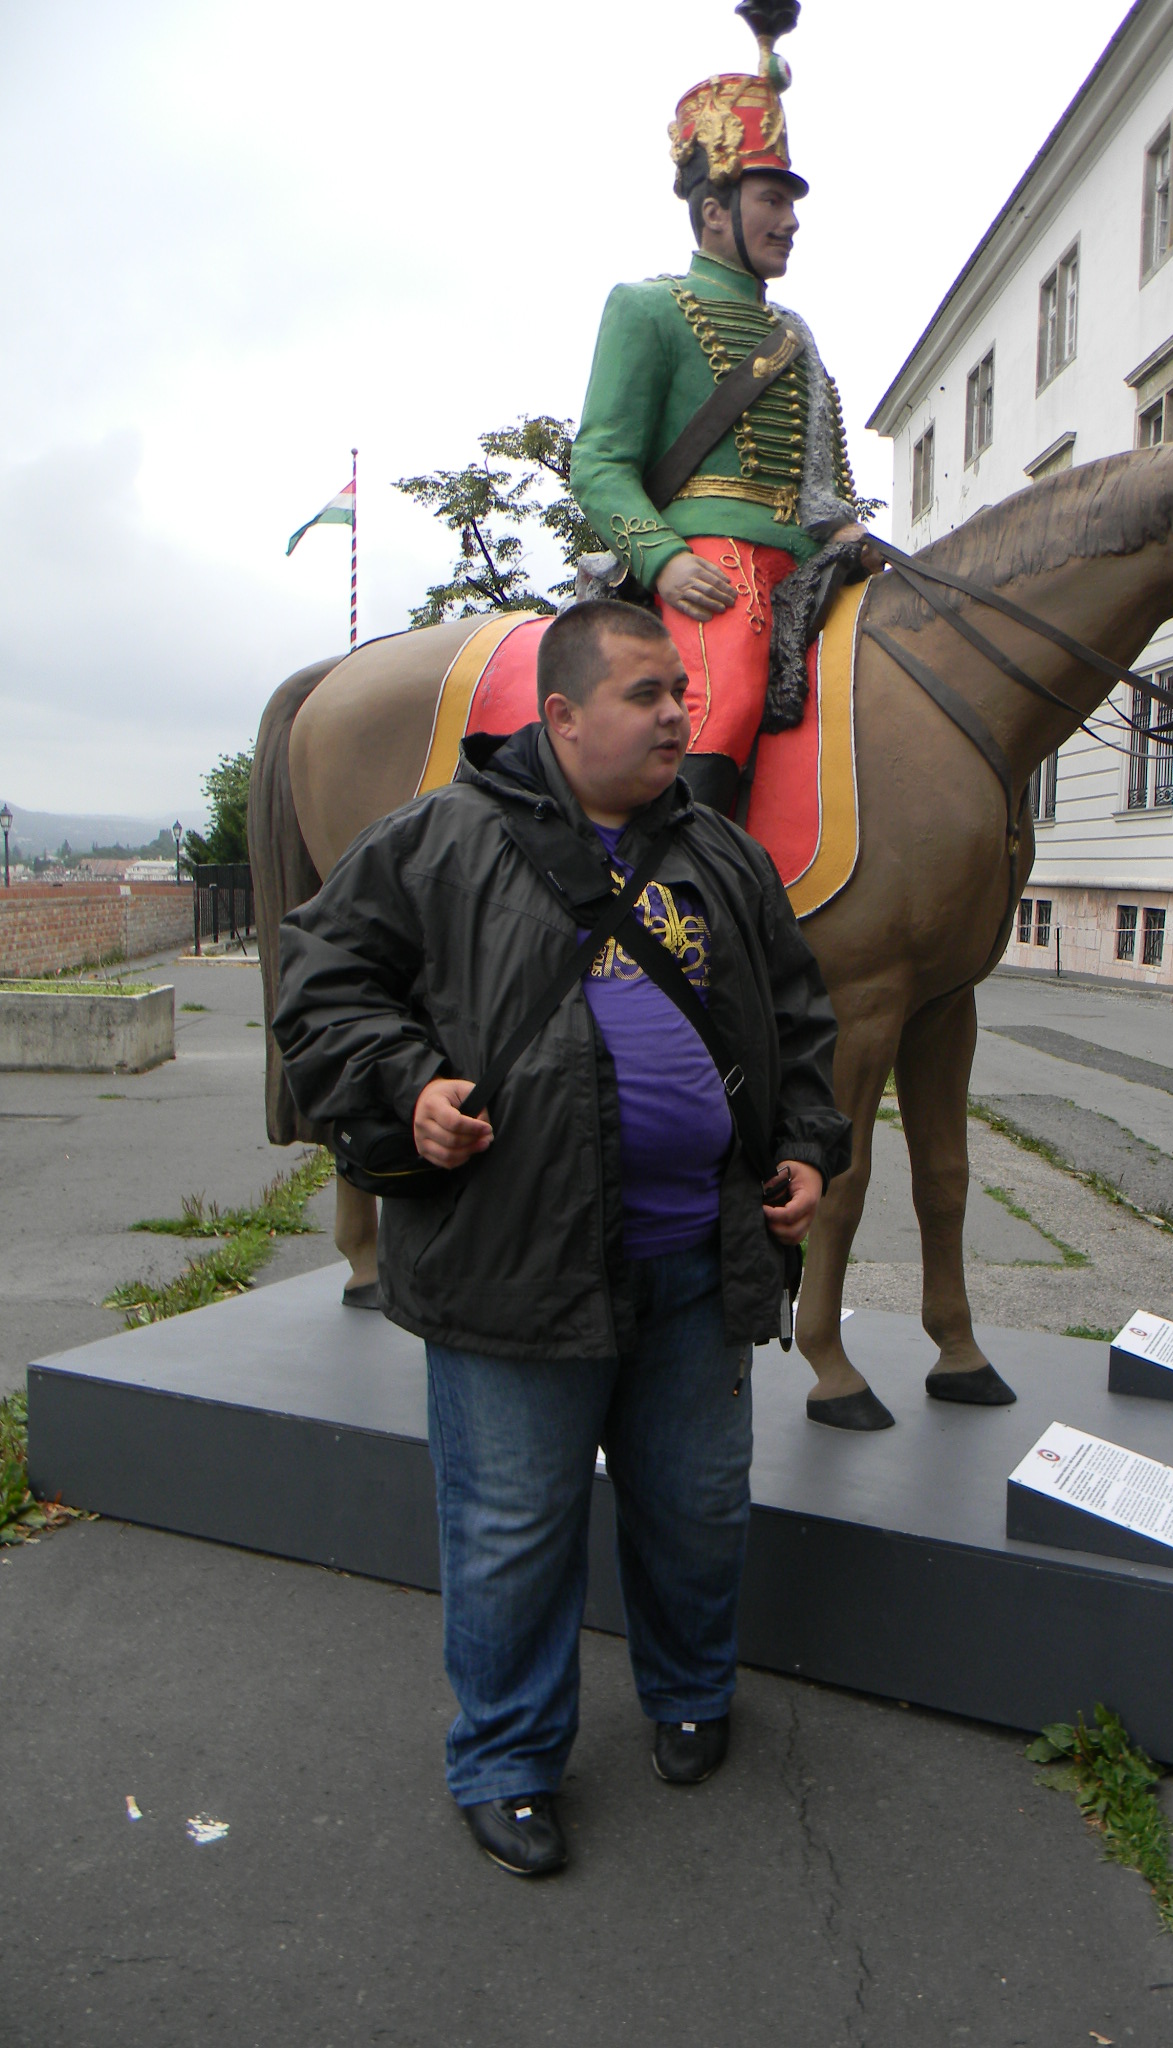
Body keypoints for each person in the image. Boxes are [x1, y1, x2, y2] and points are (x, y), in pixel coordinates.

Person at [273, 600, 852, 1879]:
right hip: (510, 1263)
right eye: (645, 695)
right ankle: (508, 1760)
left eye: (679, 697)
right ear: (561, 716)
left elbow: (800, 1020)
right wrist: (405, 1083)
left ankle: (692, 1689)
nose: (674, 717)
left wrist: (808, 1143)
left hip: (700, 1259)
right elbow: (320, 977)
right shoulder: (436, 839)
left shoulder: (723, 855)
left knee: (697, 1508)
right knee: (512, 1528)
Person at [569, 0, 879, 818]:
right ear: (714, 212)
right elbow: (599, 463)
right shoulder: (648, 309)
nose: (792, 219)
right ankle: (665, 901)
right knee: (727, 696)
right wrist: (664, 558)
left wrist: (861, 540)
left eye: (790, 201)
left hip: (809, 571)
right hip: (708, 565)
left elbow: (826, 489)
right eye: (771, 200)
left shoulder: (796, 335)